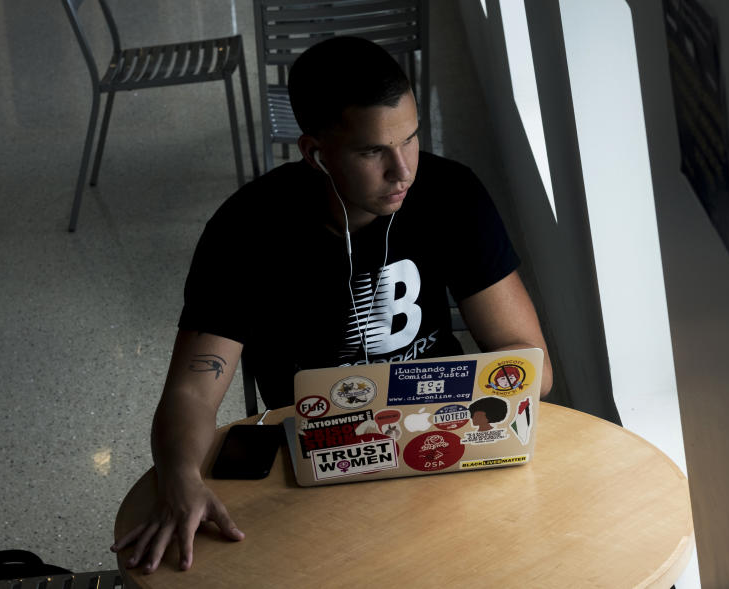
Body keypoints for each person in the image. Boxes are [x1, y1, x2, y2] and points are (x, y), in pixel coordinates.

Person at [111, 36, 553, 574]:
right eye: (372, 152)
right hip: (317, 457)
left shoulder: (452, 194)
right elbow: (191, 389)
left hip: (442, 431)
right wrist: (180, 477)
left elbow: (528, 359)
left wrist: (469, 407)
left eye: (411, 139)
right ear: (315, 153)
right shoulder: (246, 229)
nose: (403, 170)